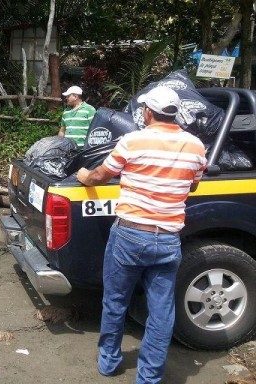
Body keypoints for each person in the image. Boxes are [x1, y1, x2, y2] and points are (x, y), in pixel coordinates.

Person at [76, 86, 207, 383]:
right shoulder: (196, 146)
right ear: (175, 113)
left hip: (130, 235)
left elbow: (100, 175)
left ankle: (109, 362)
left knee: (115, 300)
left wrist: (85, 176)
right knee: (161, 311)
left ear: (148, 112)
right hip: (169, 239)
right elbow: (193, 185)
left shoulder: (133, 141)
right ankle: (149, 377)